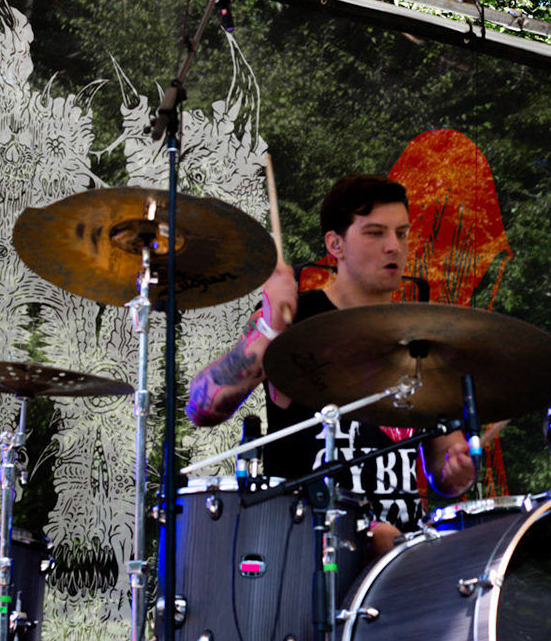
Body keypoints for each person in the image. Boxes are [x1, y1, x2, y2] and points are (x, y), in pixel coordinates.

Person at [187, 174, 474, 535]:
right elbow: (202, 406)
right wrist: (270, 330)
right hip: (306, 543)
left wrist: (457, 469)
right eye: (375, 233)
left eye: (401, 233)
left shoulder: (422, 335)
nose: (394, 247)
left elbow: (444, 470)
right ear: (335, 244)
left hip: (402, 553)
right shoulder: (296, 319)